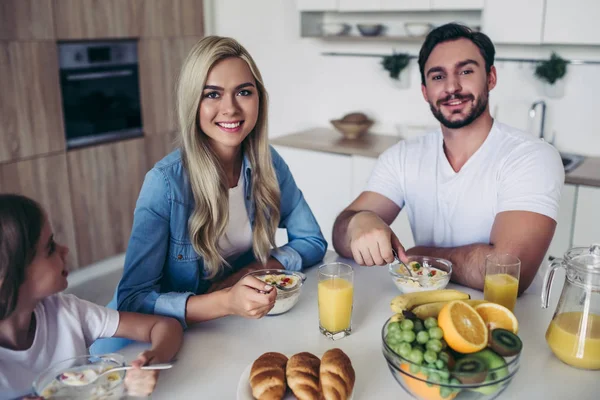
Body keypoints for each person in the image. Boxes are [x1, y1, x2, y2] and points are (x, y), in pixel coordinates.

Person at [92, 36, 326, 353]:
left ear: (259, 100)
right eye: (212, 94)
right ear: (193, 104)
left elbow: (312, 241)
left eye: (244, 92)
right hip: (144, 345)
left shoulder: (268, 163)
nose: (230, 108)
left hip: (225, 328)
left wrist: (256, 269)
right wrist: (225, 301)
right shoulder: (165, 184)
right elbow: (134, 300)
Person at [332, 23, 564, 294]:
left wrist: (421, 254)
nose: (452, 87)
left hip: (501, 319)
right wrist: (359, 222)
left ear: (490, 78)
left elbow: (509, 270)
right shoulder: (402, 157)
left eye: (465, 71)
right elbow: (340, 236)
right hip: (421, 311)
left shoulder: (531, 157)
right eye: (438, 77)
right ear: (425, 91)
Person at [0, 194, 183, 400]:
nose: (64, 249)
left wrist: (152, 359)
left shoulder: (67, 312)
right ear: (7, 275)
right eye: (50, 247)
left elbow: (165, 326)